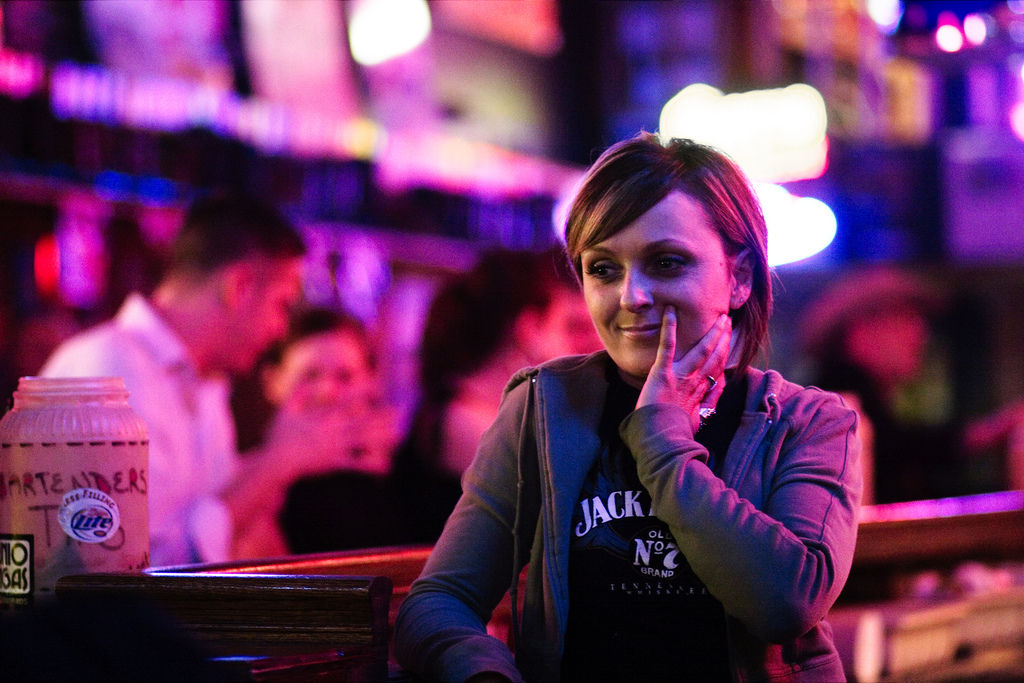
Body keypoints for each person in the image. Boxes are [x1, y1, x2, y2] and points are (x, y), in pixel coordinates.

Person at [393, 133, 862, 682]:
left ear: (738, 278)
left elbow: (786, 603)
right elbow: (438, 602)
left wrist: (662, 441)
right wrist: (486, 675)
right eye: (603, 269)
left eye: (666, 263)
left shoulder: (808, 423)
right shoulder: (541, 409)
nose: (631, 296)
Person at [41, 194, 306, 566]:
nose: (280, 330)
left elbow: (221, 546)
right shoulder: (106, 368)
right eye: (281, 305)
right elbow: (134, 564)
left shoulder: (206, 385)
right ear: (240, 287)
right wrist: (278, 462)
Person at [392, 247, 601, 544]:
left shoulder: (480, 411)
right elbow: (570, 518)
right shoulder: (467, 422)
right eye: (568, 327)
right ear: (529, 329)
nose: (579, 346)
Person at [801, 266, 1024, 504]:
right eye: (906, 319)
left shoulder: (856, 397)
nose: (921, 334)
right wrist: (986, 432)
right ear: (860, 330)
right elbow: (896, 448)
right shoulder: (835, 400)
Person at [234, 307, 406, 557]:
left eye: (344, 377)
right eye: (310, 375)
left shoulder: (402, 472)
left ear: (371, 381)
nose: (327, 392)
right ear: (272, 381)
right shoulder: (245, 479)